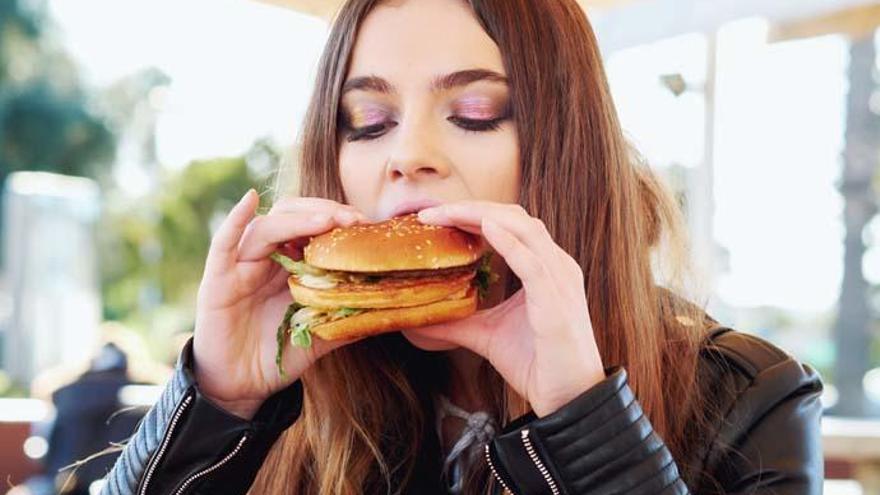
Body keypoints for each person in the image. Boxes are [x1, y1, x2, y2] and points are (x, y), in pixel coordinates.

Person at [99, 0, 824, 493]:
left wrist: (584, 417)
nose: (408, 154)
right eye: (369, 120)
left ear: (567, 148)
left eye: (475, 112)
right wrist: (215, 403)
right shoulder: (294, 394)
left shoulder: (753, 398)